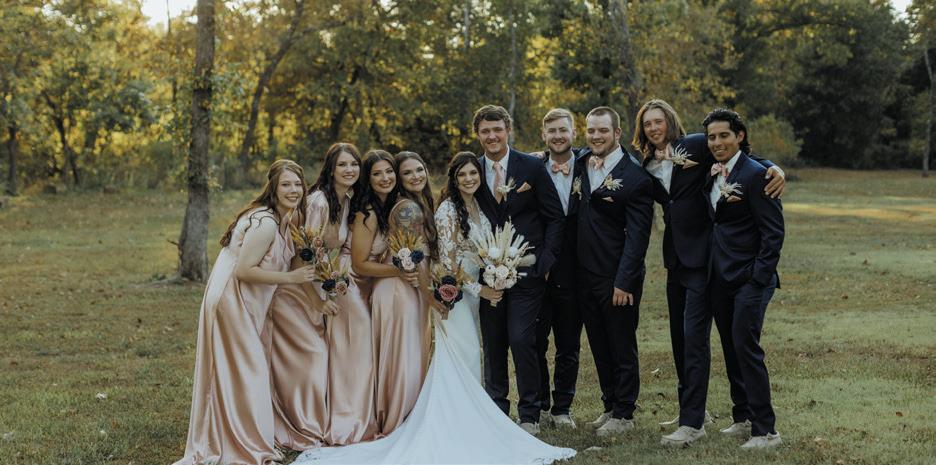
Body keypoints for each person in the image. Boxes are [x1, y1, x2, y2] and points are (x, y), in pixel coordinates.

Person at [289, 152, 575, 465]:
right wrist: (437, 298)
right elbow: (427, 260)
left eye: (419, 170)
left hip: (452, 291)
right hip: (441, 293)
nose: (414, 176)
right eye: (406, 172)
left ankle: (458, 419)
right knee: (456, 356)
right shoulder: (412, 208)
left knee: (451, 358)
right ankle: (450, 423)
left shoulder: (431, 204)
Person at [632, 100, 785, 447]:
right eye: (647, 123)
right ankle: (719, 415)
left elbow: (743, 157)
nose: (653, 128)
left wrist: (776, 169)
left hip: (708, 260)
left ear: (670, 122)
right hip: (676, 257)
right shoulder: (645, 163)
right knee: (687, 340)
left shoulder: (698, 144)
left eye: (658, 121)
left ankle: (709, 420)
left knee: (708, 340)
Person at [174, 160, 315, 465]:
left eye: (298, 184)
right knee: (248, 371)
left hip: (246, 302)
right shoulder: (265, 223)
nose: (293, 190)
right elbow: (244, 271)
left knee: (241, 372)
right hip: (232, 301)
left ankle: (243, 436)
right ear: (273, 188)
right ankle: (243, 443)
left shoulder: (283, 219)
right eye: (286, 185)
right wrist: (291, 278)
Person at [268, 143, 378, 449]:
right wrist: (316, 300)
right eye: (342, 165)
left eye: (354, 164)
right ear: (330, 169)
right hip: (296, 291)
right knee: (312, 357)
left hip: (319, 284)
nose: (349, 170)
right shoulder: (318, 202)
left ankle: (318, 420)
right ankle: (300, 427)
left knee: (320, 355)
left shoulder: (347, 199)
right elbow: (301, 258)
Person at [472, 104, 565, 434]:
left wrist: (545, 263)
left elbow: (555, 217)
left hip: (528, 272)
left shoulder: (531, 166)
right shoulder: (471, 169)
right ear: (478, 134)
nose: (492, 136)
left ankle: (529, 414)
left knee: (523, 339)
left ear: (508, 130)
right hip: (487, 274)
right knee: (493, 344)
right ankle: (497, 410)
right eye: (485, 131)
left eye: (497, 129)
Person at [704, 108, 784, 450]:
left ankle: (766, 431)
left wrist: (757, 278)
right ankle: (743, 417)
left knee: (746, 347)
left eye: (724, 135)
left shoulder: (757, 174)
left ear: (739, 136)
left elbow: (773, 233)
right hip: (720, 277)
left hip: (751, 280)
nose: (717, 142)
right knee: (731, 347)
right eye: (712, 137)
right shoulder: (712, 172)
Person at [572, 106, 653, 437]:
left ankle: (624, 413)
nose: (596, 136)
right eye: (591, 130)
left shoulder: (635, 177)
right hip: (585, 274)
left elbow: (638, 238)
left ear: (617, 133)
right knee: (599, 344)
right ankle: (609, 406)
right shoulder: (581, 162)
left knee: (621, 345)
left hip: (617, 277)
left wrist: (624, 282)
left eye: (603, 130)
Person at [534, 108, 584, 429]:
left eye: (563, 130)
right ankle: (539, 404)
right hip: (539, 267)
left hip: (577, 267)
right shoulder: (531, 167)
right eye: (551, 131)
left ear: (573, 133)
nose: (557, 136)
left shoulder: (590, 164)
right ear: (543, 135)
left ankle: (562, 408)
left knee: (569, 343)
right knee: (535, 341)